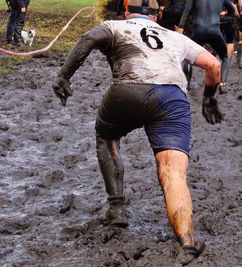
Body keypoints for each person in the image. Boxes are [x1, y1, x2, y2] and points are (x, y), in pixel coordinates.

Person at [52, 0, 223, 262]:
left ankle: (117, 208)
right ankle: (188, 242)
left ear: (125, 8)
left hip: (128, 90)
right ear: (159, 14)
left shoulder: (116, 27)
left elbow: (88, 38)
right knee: (173, 172)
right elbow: (213, 65)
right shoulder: (175, 37)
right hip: (172, 98)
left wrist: (64, 76)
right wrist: (209, 99)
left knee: (107, 137)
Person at [177, 0, 238, 94]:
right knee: (225, 57)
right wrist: (225, 13)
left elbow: (186, 12)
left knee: (187, 57)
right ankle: (222, 85)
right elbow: (232, 10)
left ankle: (187, 85)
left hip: (198, 31)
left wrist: (181, 26)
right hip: (214, 31)